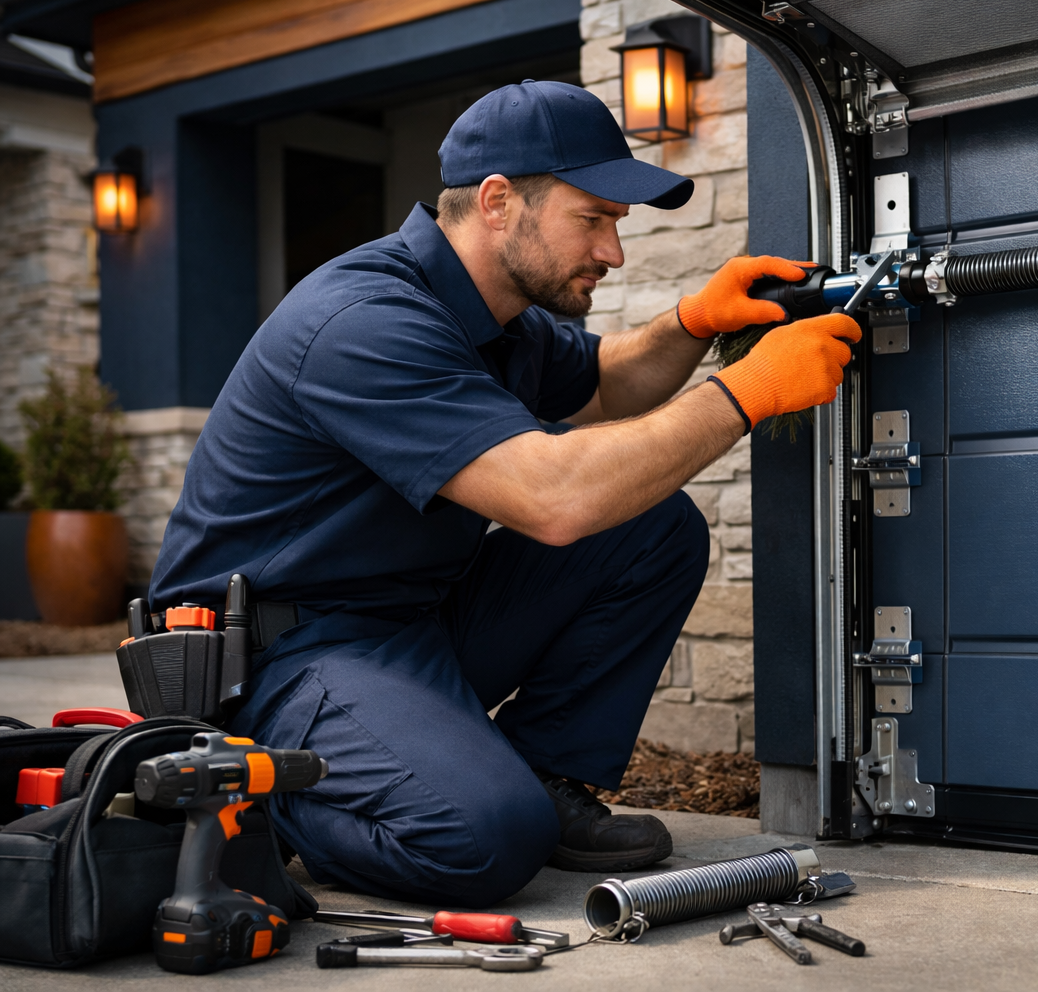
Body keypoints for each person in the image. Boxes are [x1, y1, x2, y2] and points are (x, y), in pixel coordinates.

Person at [147, 80, 861, 905]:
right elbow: (555, 499)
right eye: (592, 219)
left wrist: (694, 323)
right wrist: (747, 392)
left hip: (409, 626)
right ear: (497, 203)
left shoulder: (498, 317)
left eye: (618, 224)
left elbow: (603, 383)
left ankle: (540, 774)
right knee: (483, 841)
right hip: (282, 657)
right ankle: (262, 796)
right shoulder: (363, 320)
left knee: (652, 526)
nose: (613, 252)